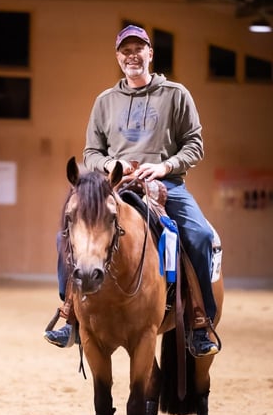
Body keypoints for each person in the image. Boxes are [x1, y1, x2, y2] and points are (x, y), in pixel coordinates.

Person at [44, 24, 219, 358]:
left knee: (198, 235)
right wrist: (110, 164)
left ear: (150, 53)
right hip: (115, 186)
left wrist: (165, 167)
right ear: (118, 57)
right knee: (64, 236)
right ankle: (70, 315)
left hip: (165, 184)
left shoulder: (176, 94)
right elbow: (90, 153)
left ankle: (200, 321)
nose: (132, 56)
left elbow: (194, 145)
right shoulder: (105, 101)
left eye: (139, 49)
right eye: (126, 51)